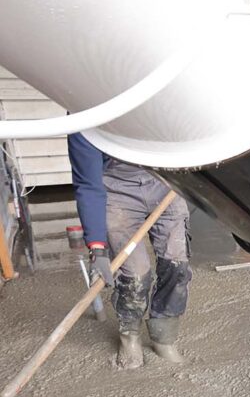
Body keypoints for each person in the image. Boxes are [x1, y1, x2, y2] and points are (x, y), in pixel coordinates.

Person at [68, 133, 192, 370]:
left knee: (177, 264)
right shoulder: (84, 116)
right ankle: (129, 337)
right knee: (135, 274)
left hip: (164, 180)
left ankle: (163, 337)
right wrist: (97, 248)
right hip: (116, 189)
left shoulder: (154, 99)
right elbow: (89, 185)